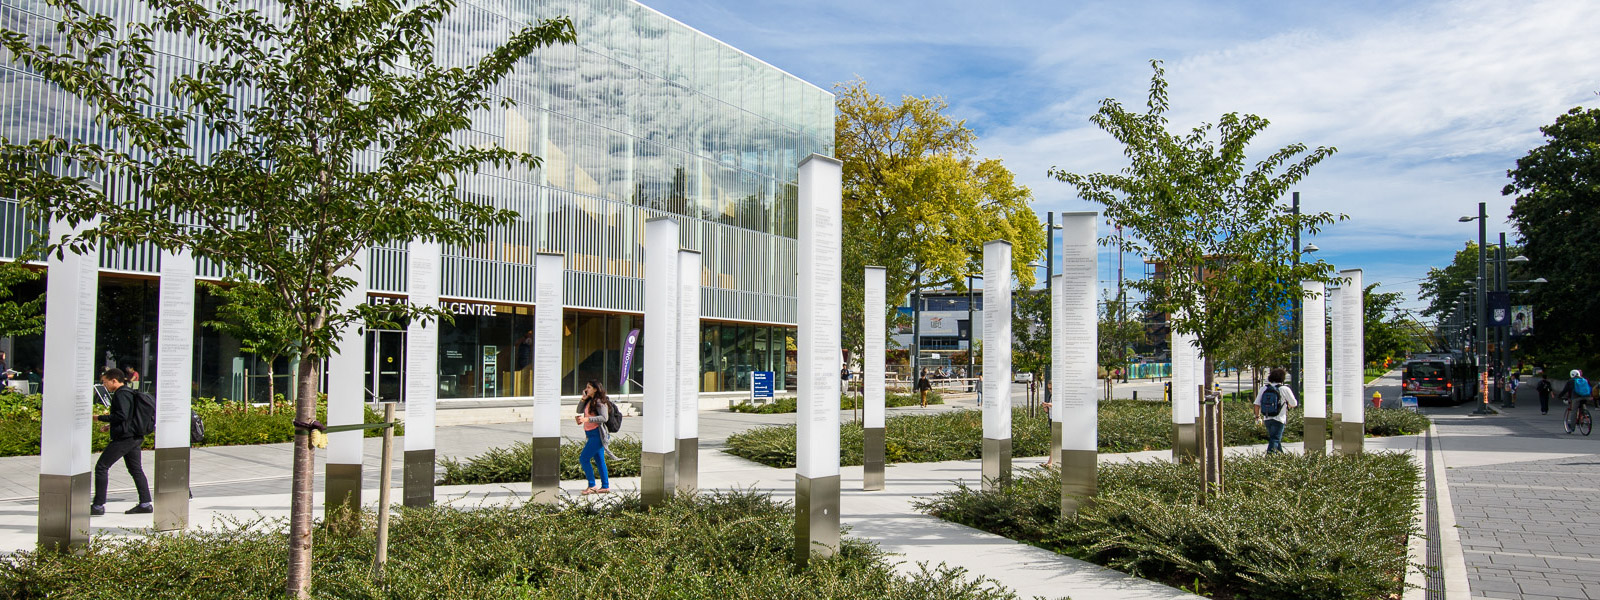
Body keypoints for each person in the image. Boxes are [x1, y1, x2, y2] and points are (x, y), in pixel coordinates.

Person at [92, 368, 152, 515]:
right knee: (135, 469)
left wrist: (99, 418)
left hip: (125, 438)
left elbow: (122, 415)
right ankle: (145, 504)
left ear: (114, 380)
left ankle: (98, 506)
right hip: (134, 436)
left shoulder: (121, 394)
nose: (104, 385)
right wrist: (109, 425)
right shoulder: (128, 392)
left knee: (101, 467)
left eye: (105, 382)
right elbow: (127, 416)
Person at [573, 380, 611, 495]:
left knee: (583, 458)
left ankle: (592, 485)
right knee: (599, 460)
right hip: (590, 433)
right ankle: (605, 486)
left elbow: (604, 418)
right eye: (586, 387)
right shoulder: (589, 401)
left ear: (595, 389)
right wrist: (583, 399)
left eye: (589, 387)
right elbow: (579, 410)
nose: (586, 389)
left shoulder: (600, 402)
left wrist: (587, 419)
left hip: (598, 434)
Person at [1252, 368, 1299, 454]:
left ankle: (1282, 457)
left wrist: (1257, 416)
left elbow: (1256, 404)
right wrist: (1287, 403)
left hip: (1267, 418)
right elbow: (1294, 403)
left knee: (1275, 438)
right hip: (1279, 418)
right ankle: (1269, 457)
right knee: (1275, 439)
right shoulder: (1284, 389)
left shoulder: (1264, 388)